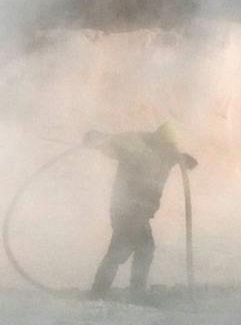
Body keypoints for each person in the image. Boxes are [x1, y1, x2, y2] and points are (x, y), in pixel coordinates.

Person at [83, 123, 197, 297]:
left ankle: (107, 291)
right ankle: (119, 291)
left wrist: (186, 160)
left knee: (134, 249)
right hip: (126, 209)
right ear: (157, 138)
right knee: (132, 249)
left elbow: (184, 160)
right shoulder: (135, 145)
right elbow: (110, 143)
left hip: (138, 212)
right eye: (165, 144)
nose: (168, 148)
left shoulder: (168, 153)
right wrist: (97, 138)